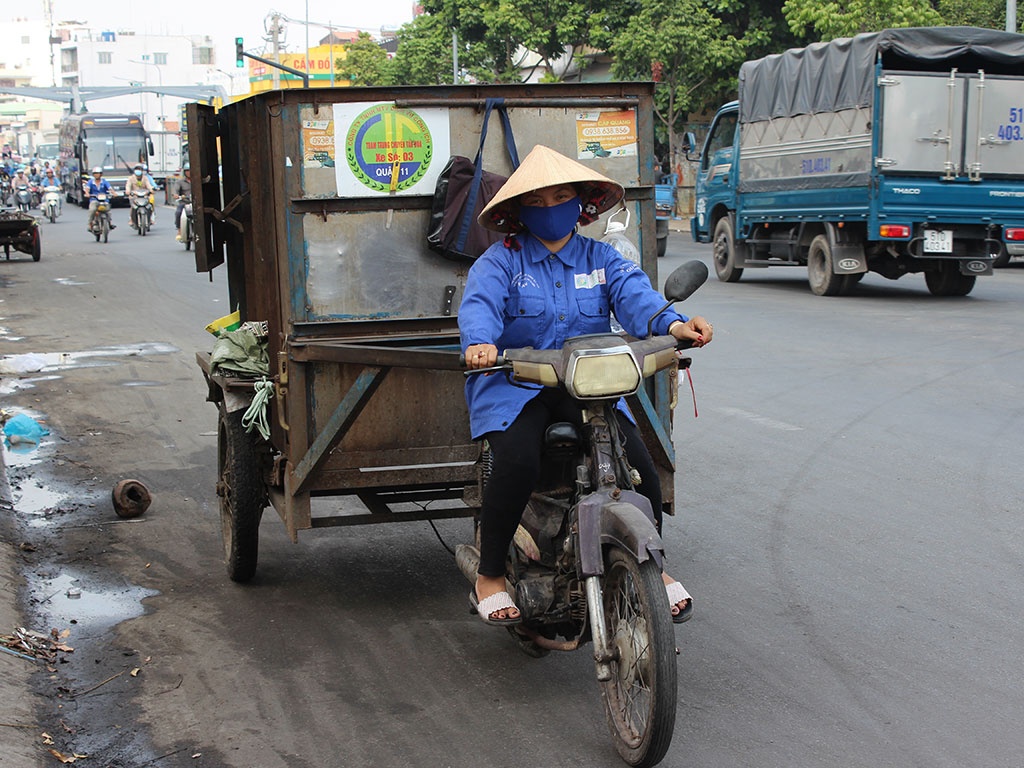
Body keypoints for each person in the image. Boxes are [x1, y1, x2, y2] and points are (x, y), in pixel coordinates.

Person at [459, 145, 714, 625]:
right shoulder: (500, 262)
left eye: (561, 196)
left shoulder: (602, 259)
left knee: (641, 468)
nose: (551, 208)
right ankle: (489, 575)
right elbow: (479, 309)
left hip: (587, 388)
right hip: (517, 387)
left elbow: (637, 298)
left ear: (580, 203)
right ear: (520, 212)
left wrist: (675, 325)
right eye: (538, 201)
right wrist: (480, 343)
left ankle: (652, 567)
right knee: (514, 462)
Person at [84, 166, 116, 231]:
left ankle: (109, 223)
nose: (96, 175)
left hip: (104, 200)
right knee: (92, 209)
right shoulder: (90, 182)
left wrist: (114, 193)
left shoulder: (104, 182)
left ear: (101, 174)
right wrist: (87, 193)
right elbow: (87, 189)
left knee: (107, 210)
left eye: (98, 173)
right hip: (94, 199)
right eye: (95, 173)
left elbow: (110, 188)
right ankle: (90, 223)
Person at [125, 164, 155, 229]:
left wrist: (151, 190)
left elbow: (148, 185)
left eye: (139, 169)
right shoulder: (131, 178)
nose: (138, 171)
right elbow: (128, 186)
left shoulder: (145, 178)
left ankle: (150, 219)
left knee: (149, 206)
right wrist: (128, 191)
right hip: (134, 196)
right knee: (133, 207)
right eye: (137, 169)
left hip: (144, 196)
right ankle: (132, 219)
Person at [174, 165, 192, 241]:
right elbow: (175, 191)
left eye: (190, 170)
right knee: (178, 213)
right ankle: (179, 231)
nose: (189, 172)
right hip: (184, 203)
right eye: (187, 171)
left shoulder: (197, 181)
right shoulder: (180, 182)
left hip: (196, 203)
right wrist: (176, 195)